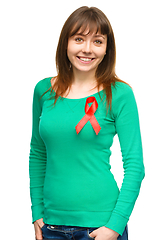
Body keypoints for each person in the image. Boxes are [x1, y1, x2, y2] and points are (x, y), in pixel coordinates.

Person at [29, 6, 145, 240]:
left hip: (101, 225)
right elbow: (38, 152)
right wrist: (37, 212)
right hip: (51, 225)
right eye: (79, 39)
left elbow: (135, 165)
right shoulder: (43, 91)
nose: (87, 49)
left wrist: (115, 225)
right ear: (66, 43)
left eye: (98, 41)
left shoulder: (119, 94)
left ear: (106, 49)